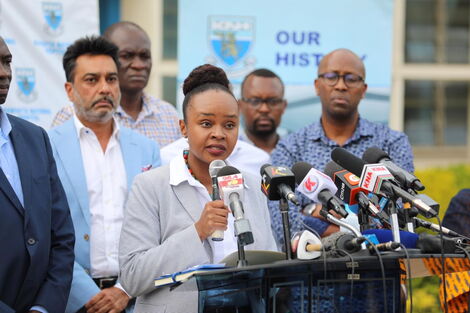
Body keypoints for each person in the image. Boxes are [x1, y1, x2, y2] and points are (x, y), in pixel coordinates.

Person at [119, 64, 278, 313]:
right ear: (183, 128)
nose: (219, 134)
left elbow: (271, 265)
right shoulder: (150, 186)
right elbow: (132, 276)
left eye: (229, 125)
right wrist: (198, 231)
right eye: (206, 124)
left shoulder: (252, 185)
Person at [48, 36, 161, 313]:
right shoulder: (45, 147)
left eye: (111, 79)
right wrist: (88, 297)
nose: (104, 88)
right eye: (91, 80)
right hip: (71, 299)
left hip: (138, 298)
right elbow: (44, 233)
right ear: (69, 89)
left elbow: (160, 229)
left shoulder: (146, 149)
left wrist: (124, 290)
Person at [269, 48, 415, 244]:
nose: (341, 85)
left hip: (379, 266)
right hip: (314, 267)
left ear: (363, 90)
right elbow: (284, 222)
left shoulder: (391, 143)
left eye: (351, 78)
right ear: (317, 86)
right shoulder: (289, 147)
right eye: (331, 77)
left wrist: (312, 211)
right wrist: (351, 230)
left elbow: (396, 215)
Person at [0, 36, 75, 313]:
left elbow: (62, 237)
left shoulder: (34, 138)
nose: (4, 73)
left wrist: (44, 307)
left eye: (7, 61)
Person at [51, 21, 181, 147]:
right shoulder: (72, 115)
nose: (138, 65)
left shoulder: (168, 115)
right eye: (127, 56)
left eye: (144, 56)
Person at [238, 68, 287, 154]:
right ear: (240, 106)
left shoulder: (296, 152)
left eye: (273, 101)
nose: (264, 109)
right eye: (255, 101)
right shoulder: (229, 152)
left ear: (284, 106)